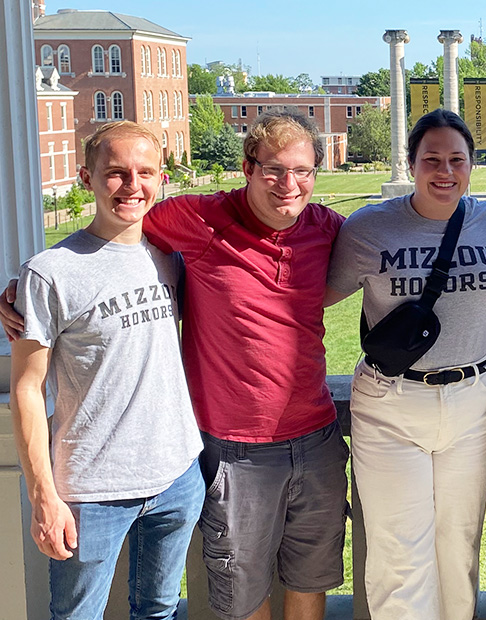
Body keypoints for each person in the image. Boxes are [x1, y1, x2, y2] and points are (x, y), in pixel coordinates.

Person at [2, 110, 348, 620]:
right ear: (248, 168)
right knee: (236, 595)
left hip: (276, 448)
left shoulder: (324, 226)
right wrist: (28, 287)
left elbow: (388, 246)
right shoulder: (195, 222)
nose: (287, 184)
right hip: (206, 458)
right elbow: (100, 242)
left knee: (291, 583)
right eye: (273, 169)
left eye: (302, 171)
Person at [324, 109, 486, 620]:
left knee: (460, 544)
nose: (445, 171)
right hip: (391, 402)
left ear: (473, 165)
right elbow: (310, 298)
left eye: (457, 160)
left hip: (474, 399)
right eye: (431, 159)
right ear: (411, 164)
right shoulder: (370, 226)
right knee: (398, 552)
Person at [9, 121, 203, 619]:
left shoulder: (171, 258)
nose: (131, 186)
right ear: (86, 178)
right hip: (90, 490)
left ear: (161, 178)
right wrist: (43, 497)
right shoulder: (49, 272)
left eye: (144, 172)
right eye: (115, 173)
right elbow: (28, 390)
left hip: (177, 476)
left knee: (158, 611)